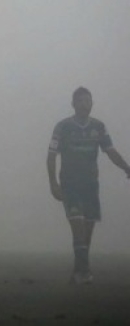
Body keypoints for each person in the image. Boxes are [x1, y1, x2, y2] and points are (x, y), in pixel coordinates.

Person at [47, 87, 130, 284]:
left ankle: (79, 271)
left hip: (91, 184)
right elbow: (50, 156)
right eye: (81, 101)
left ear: (92, 103)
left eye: (88, 101)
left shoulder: (99, 127)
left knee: (87, 231)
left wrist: (127, 167)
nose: (85, 104)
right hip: (70, 184)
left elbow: (110, 151)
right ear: (73, 104)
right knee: (77, 227)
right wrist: (53, 183)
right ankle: (84, 273)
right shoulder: (63, 127)